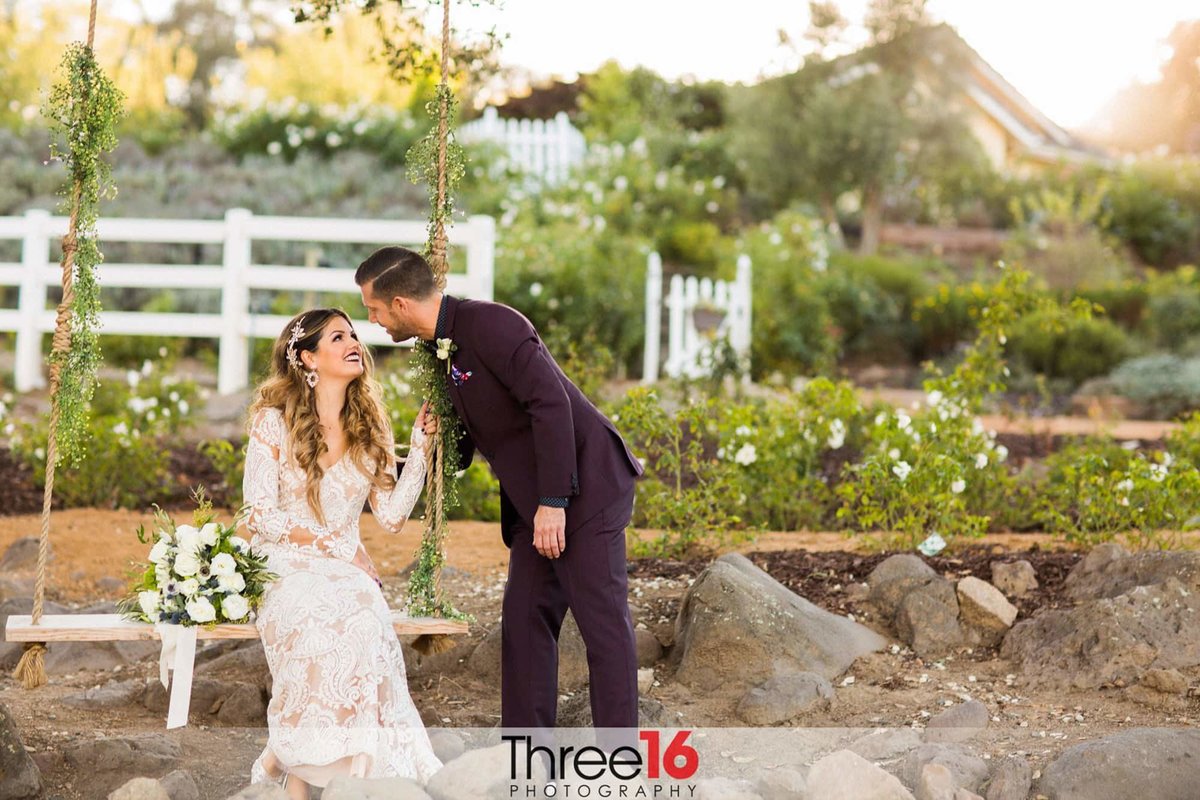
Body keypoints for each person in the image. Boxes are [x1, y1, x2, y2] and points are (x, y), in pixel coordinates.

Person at [356, 247, 644, 736]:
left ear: (401, 303)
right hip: (535, 505)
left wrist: (554, 502)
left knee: (603, 626)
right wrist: (434, 440)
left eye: (374, 309)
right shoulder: (437, 348)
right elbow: (483, 434)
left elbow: (551, 405)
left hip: (586, 489)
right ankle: (529, 761)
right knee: (525, 623)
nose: (374, 319)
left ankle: (620, 762)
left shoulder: (494, 325)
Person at [243, 308, 441, 797]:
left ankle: (330, 773)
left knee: (361, 622)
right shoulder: (273, 423)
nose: (354, 341)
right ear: (308, 357)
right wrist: (335, 546)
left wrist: (418, 450)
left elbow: (391, 518)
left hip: (347, 570)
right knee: (313, 622)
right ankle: (294, 771)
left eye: (354, 333)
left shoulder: (368, 427)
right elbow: (259, 515)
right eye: (338, 336)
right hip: (282, 562)